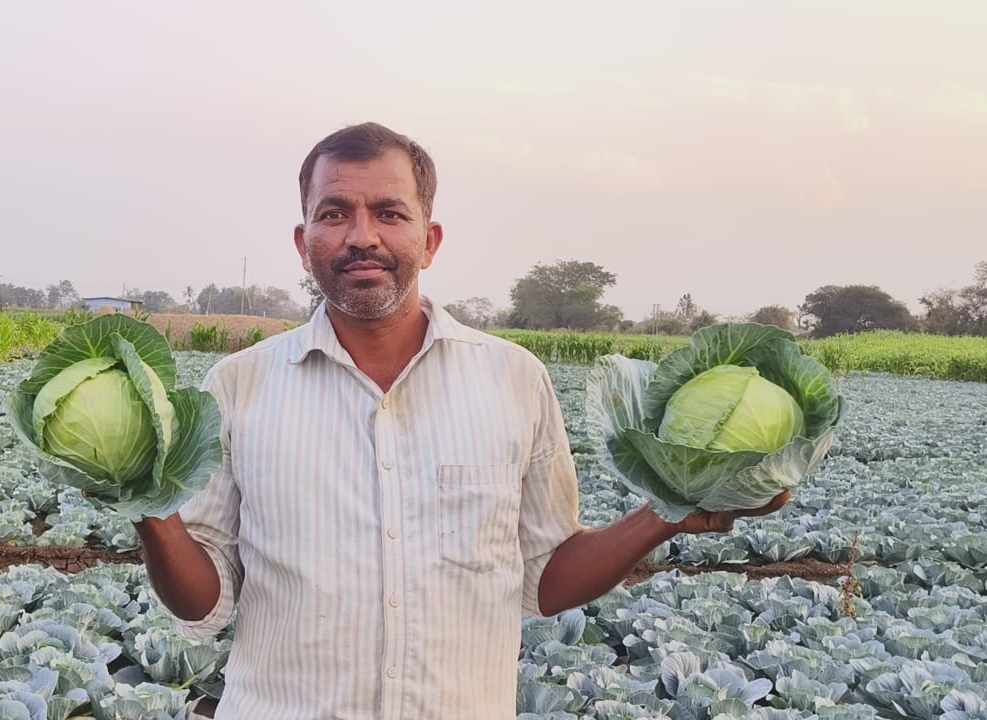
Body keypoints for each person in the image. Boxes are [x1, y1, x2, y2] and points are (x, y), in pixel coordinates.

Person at [133, 121, 789, 720]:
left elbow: (546, 577)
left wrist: (666, 512)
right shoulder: (237, 385)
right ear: (304, 243)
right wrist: (145, 500)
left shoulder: (514, 381)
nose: (362, 235)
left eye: (390, 213)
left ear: (430, 238)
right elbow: (205, 600)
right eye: (335, 214)